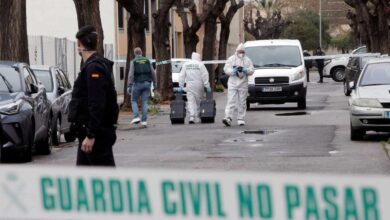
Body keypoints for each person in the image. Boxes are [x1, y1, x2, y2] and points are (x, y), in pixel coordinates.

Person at [68, 25, 119, 166]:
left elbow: (97, 103)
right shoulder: (93, 65)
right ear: (96, 43)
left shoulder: (93, 68)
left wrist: (91, 135)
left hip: (96, 137)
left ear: (78, 44)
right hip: (89, 134)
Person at [222, 43, 254, 126]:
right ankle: (228, 117)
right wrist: (233, 71)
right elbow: (226, 69)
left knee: (242, 102)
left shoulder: (247, 60)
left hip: (243, 83)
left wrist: (245, 70)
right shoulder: (231, 59)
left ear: (244, 52)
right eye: (239, 51)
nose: (241, 53)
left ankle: (240, 118)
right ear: (236, 51)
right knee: (231, 101)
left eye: (242, 52)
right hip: (233, 83)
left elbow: (252, 70)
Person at [178, 52, 211, 124]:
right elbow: (205, 75)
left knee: (190, 101)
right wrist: (207, 86)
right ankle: (198, 116)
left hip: (189, 84)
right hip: (199, 84)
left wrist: (180, 86)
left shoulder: (186, 64)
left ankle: (191, 116)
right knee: (199, 101)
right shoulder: (200, 65)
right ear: (198, 57)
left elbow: (182, 75)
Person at [128, 47, 157, 127]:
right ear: (141, 52)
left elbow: (131, 75)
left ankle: (136, 117)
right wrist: (155, 83)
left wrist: (129, 85)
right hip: (147, 83)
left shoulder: (133, 62)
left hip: (137, 83)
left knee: (133, 100)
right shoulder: (147, 60)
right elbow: (153, 73)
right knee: (144, 102)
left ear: (135, 53)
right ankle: (144, 121)